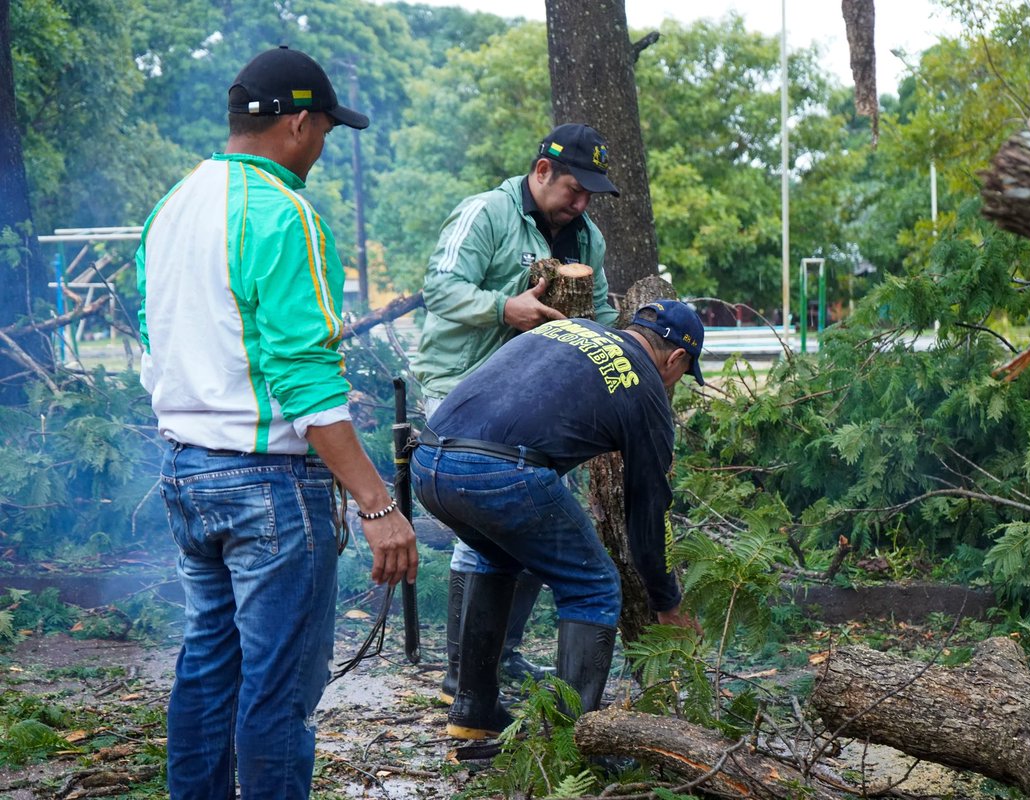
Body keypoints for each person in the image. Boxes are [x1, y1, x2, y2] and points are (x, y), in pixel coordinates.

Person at [137, 46, 418, 799]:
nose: (323, 148)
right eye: (324, 129)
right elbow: (304, 380)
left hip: (187, 471)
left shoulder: (173, 205)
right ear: (296, 123)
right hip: (266, 486)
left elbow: (149, 345)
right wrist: (377, 503)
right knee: (277, 691)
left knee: (206, 666)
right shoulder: (283, 212)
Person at [411, 299, 705, 739]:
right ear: (678, 357)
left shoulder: (572, 329)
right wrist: (667, 603)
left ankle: (473, 712)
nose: (676, 382)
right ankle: (569, 741)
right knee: (593, 585)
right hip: (497, 473)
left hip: (427, 461)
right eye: (684, 373)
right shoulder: (646, 389)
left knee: (498, 559)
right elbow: (646, 515)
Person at [412, 123, 621, 698]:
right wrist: (507, 308)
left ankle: (497, 659)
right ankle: (464, 673)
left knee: (529, 527)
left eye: (590, 195)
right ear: (542, 171)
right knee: (484, 530)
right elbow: (441, 288)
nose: (581, 204)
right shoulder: (485, 214)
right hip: (460, 390)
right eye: (575, 190)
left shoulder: (587, 240)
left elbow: (599, 311)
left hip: (534, 405)